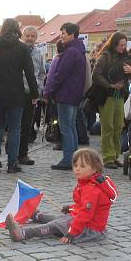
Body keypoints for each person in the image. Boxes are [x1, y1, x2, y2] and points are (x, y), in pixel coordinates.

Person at [5, 148, 117, 244]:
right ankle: (37, 215)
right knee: (61, 218)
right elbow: (82, 207)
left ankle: (22, 233)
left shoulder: (91, 189)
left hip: (90, 230)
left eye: (82, 166)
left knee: (57, 224)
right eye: (75, 165)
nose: (77, 168)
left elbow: (85, 214)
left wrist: (72, 233)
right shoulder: (87, 182)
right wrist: (70, 208)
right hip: (86, 224)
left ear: (94, 169)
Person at [0, 18, 39, 174]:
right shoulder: (22, 48)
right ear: (17, 30)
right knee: (15, 129)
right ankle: (12, 163)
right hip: (16, 94)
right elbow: (30, 74)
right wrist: (35, 93)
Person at [43, 23, 87, 170]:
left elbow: (60, 75)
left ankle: (68, 159)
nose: (61, 36)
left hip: (66, 94)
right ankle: (74, 158)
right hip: (75, 94)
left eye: (63, 33)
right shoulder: (79, 50)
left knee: (66, 127)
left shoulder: (70, 52)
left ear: (71, 34)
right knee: (71, 125)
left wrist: (49, 91)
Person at [92, 31, 131, 169]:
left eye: (124, 45)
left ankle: (116, 155)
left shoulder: (125, 57)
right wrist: (110, 85)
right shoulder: (105, 56)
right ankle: (107, 157)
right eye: (121, 45)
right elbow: (96, 75)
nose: (123, 47)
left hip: (120, 97)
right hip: (107, 97)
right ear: (114, 44)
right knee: (108, 127)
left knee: (118, 126)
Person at [18, 26, 47, 166]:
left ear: (36, 38)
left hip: (32, 94)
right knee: (14, 124)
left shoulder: (38, 53)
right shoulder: (17, 50)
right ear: (23, 36)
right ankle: (13, 151)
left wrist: (38, 87)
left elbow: (42, 73)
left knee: (27, 125)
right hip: (17, 92)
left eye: (32, 36)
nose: (29, 38)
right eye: (27, 35)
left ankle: (23, 154)